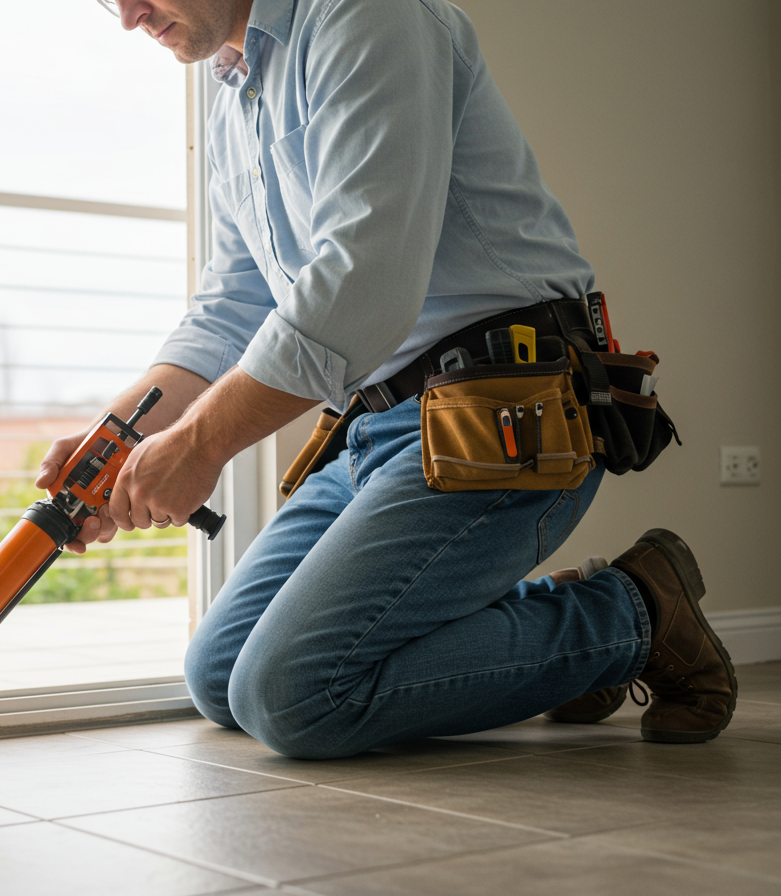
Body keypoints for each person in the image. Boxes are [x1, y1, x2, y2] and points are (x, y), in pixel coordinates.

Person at [36, 0, 735, 756]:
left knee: (294, 695)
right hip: (370, 426)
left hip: (504, 407)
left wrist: (201, 445)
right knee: (220, 675)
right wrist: (120, 439)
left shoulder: (367, 15)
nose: (129, 15)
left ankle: (632, 614)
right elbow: (232, 303)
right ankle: (557, 647)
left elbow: (365, 277)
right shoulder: (234, 93)